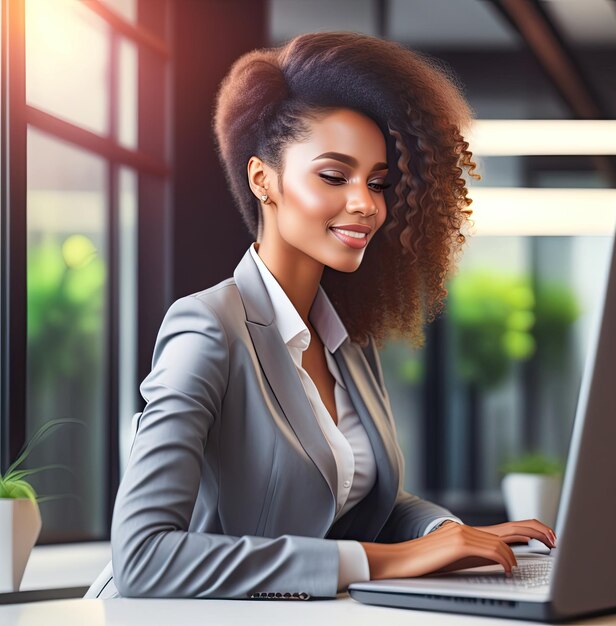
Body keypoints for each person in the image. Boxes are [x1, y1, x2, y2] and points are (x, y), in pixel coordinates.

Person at [86, 30, 556, 601]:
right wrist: (386, 561)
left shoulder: (348, 343)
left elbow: (358, 494)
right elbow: (142, 557)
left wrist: (448, 534)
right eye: (335, 176)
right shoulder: (208, 327)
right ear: (264, 180)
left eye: (378, 182)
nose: (366, 202)